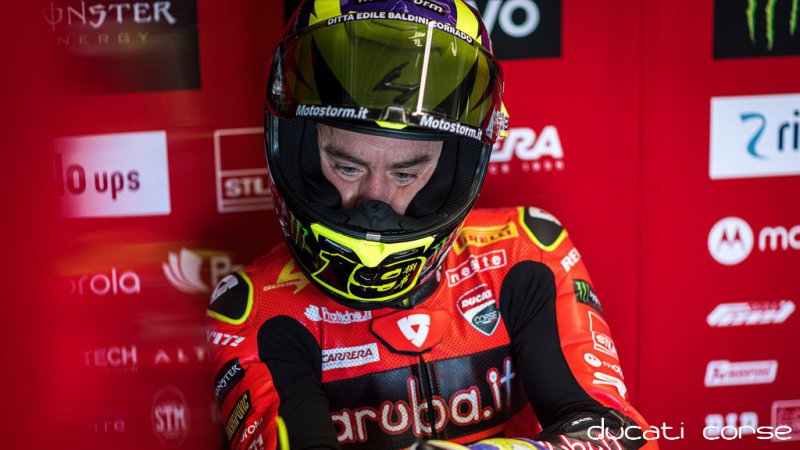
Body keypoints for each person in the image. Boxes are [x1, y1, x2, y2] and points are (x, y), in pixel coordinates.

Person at [208, 1, 658, 449]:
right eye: (348, 167)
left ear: (449, 170)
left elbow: (619, 434)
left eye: (405, 173)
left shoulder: (524, 254)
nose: (375, 202)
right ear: (302, 151)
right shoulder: (255, 309)